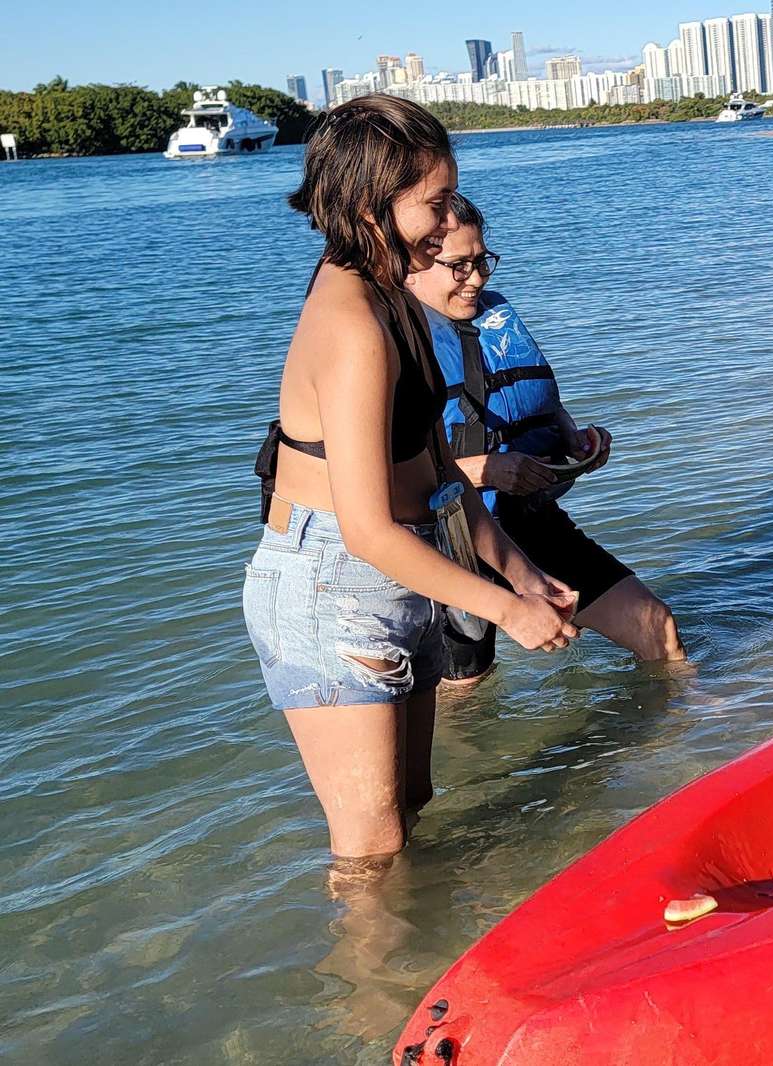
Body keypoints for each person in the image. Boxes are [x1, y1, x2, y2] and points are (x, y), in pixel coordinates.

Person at [244, 96, 580, 861]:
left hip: (406, 560)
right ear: (371, 204)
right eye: (434, 202)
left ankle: (417, 972)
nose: (448, 217)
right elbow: (365, 530)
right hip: (331, 579)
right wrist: (507, 612)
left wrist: (523, 575)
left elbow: (436, 476)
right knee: (373, 850)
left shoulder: (392, 295)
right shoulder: (355, 325)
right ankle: (376, 985)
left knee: (414, 809)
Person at [405, 192, 690, 682]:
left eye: (482, 262)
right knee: (466, 692)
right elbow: (377, 479)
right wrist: (485, 470)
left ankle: (699, 735)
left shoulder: (491, 318)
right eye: (459, 266)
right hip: (449, 544)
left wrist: (573, 439)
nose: (476, 279)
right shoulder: (395, 343)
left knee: (657, 627)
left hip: (527, 519)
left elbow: (536, 396)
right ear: (413, 266)